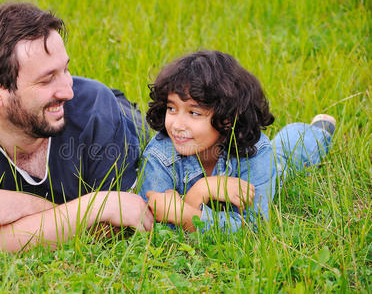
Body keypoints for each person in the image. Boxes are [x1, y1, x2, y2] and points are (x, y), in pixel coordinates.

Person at [0, 2, 153, 252]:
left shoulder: (98, 110)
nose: (67, 90)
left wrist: (22, 205)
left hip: (122, 116)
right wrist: (96, 206)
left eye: (65, 69)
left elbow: (117, 224)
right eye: (46, 79)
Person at [139, 50, 335, 232]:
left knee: (284, 158)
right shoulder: (160, 152)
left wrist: (183, 212)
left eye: (194, 112)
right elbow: (156, 221)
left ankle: (318, 132)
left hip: (267, 163)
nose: (177, 125)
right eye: (172, 109)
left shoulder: (257, 152)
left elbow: (252, 227)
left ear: (227, 118)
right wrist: (199, 193)